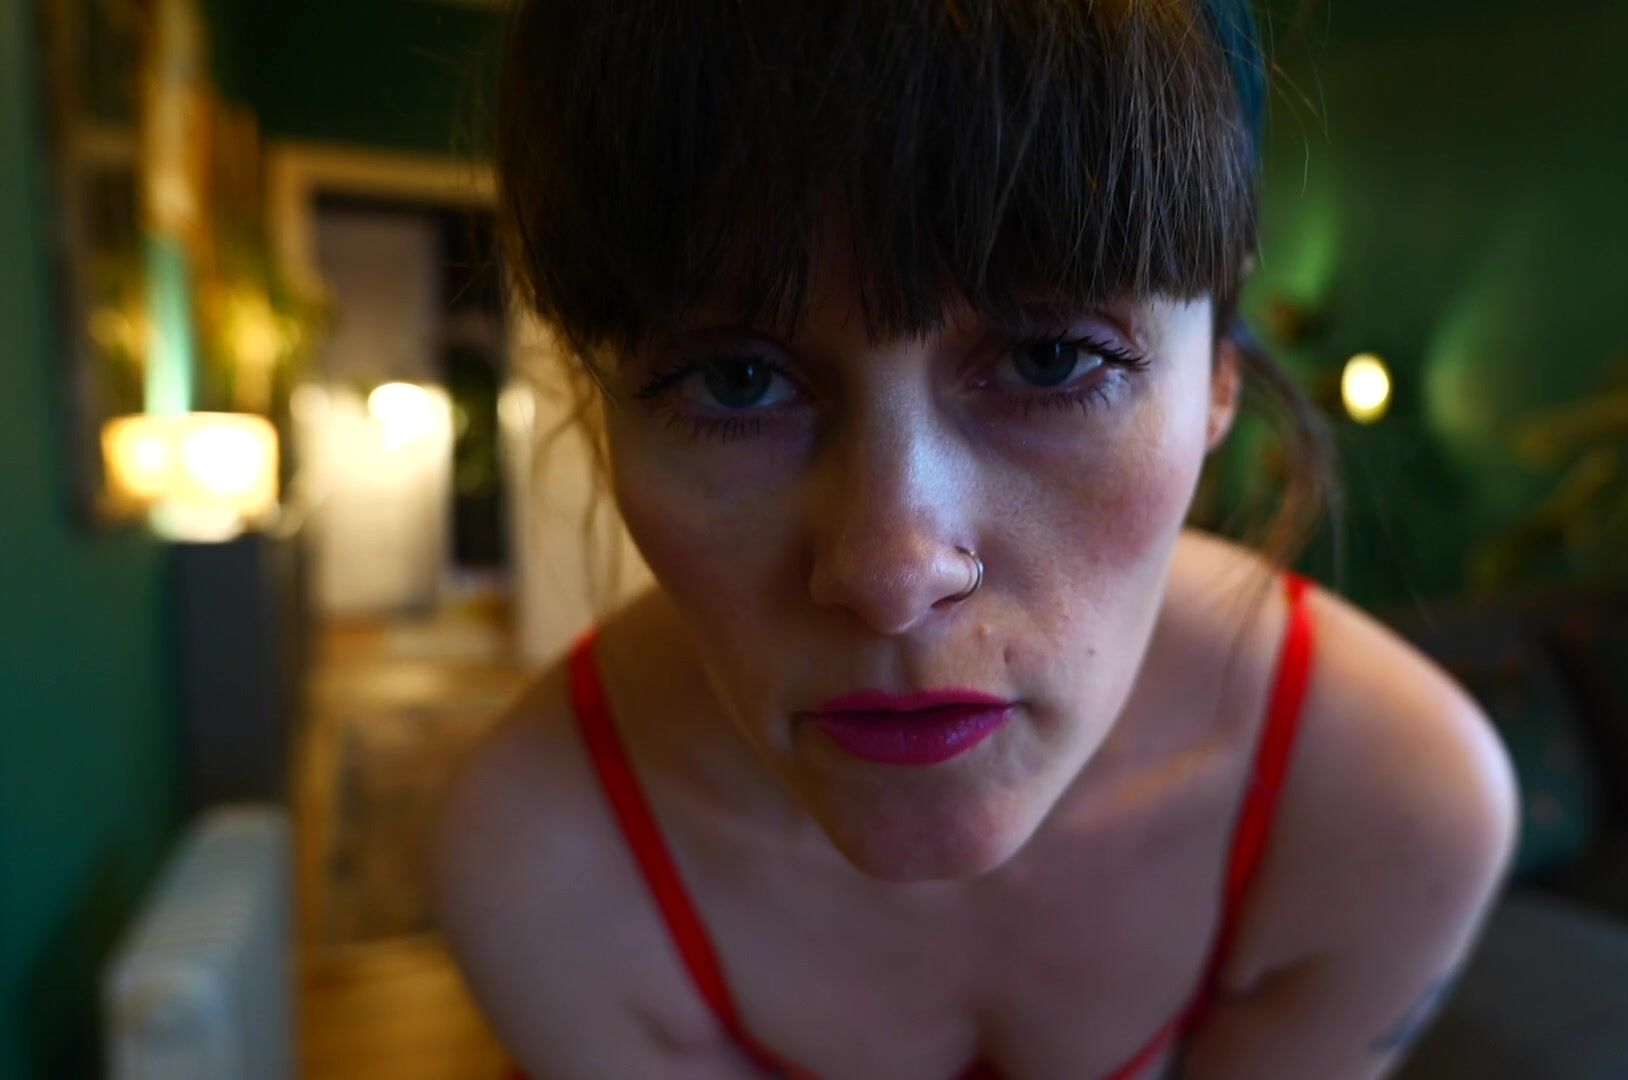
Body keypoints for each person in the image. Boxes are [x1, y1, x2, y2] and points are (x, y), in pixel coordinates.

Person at [433, 1, 1517, 1077]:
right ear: (602, 416)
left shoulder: (1383, 804)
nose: (893, 574)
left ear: (1220, 377)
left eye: (1052, 358)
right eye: (736, 379)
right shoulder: (548, 862)